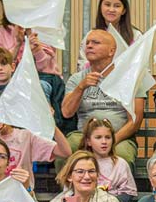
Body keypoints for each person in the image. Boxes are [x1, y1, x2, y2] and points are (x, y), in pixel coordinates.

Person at [62, 31, 145, 166]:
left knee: (122, 156)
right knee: (66, 149)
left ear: (111, 51)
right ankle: (68, 187)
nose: (89, 46)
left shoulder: (129, 79)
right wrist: (81, 87)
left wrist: (109, 140)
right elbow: (66, 112)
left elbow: (135, 120)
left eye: (96, 43)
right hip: (84, 137)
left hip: (119, 137)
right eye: (87, 43)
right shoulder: (76, 79)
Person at [0, 91, 71, 193]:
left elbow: (65, 152)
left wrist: (50, 123)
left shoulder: (26, 136)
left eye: (0, 109)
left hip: (24, 193)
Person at [0, 0, 58, 75]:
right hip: (9, 79)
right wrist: (17, 46)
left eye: (14, 2)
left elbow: (44, 67)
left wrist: (37, 50)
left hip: (42, 78)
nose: (8, 6)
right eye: (5, 2)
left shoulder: (43, 29)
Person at [78, 118, 137, 202]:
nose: (104, 142)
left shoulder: (120, 163)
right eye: (98, 137)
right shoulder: (80, 163)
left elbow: (128, 191)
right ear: (88, 141)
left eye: (108, 137)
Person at [0, 46, 56, 110]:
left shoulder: (28, 86)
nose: (0, 68)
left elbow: (45, 85)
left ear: (13, 67)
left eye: (4, 64)